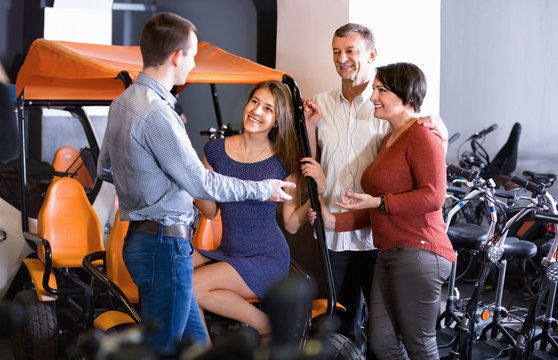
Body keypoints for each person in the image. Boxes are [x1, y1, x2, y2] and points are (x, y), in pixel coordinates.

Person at [97, 13, 295, 355]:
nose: (192, 63)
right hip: (164, 242)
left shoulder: (122, 103)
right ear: (177, 57)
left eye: (269, 109)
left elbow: (105, 169)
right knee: (166, 348)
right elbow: (202, 185)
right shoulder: (158, 113)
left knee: (197, 348)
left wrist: (156, 181)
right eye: (191, 55)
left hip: (144, 238)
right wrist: (264, 188)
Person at [302, 23, 448, 350]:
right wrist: (309, 128)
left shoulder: (392, 109)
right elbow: (310, 162)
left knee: (397, 333)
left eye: (350, 51)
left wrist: (441, 131)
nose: (342, 59)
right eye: (336, 52)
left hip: (381, 234)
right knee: (345, 320)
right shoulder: (321, 104)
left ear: (371, 54)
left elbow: (431, 178)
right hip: (336, 225)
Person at [193, 80, 325, 340]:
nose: (257, 111)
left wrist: (318, 193)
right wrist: (194, 178)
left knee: (193, 287)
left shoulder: (283, 160)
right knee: (174, 272)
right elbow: (210, 211)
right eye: (255, 102)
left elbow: (291, 223)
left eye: (268, 109)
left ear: (277, 121)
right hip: (229, 251)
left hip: (267, 258)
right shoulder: (215, 150)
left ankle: (266, 327)